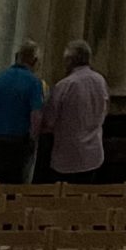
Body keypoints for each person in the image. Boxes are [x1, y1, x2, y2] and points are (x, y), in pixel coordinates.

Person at [0, 39, 46, 189]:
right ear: (35, 61)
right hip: (16, 144)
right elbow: (36, 115)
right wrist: (34, 140)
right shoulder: (34, 82)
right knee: (12, 187)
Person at [44, 39, 110, 182]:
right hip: (93, 154)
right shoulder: (100, 81)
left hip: (68, 155)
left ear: (70, 61)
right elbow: (105, 109)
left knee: (64, 200)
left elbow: (50, 120)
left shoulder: (65, 85)